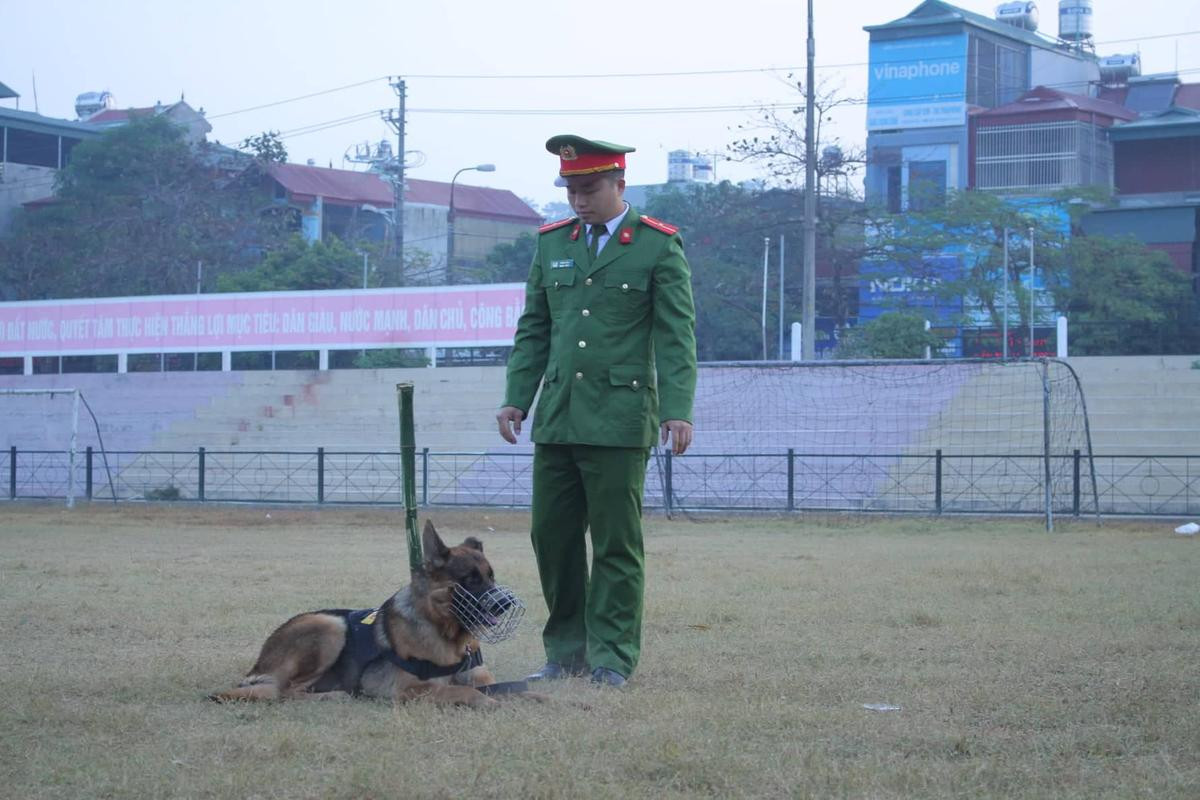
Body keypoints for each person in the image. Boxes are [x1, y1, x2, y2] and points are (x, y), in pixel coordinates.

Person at [496, 135, 697, 687]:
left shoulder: (657, 246)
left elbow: (676, 337)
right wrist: (518, 396)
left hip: (619, 417)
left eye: (589, 189)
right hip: (558, 416)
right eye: (571, 190)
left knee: (615, 544)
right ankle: (565, 653)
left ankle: (610, 659)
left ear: (619, 185)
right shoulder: (552, 242)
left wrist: (677, 409)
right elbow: (535, 327)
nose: (579, 201)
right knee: (552, 538)